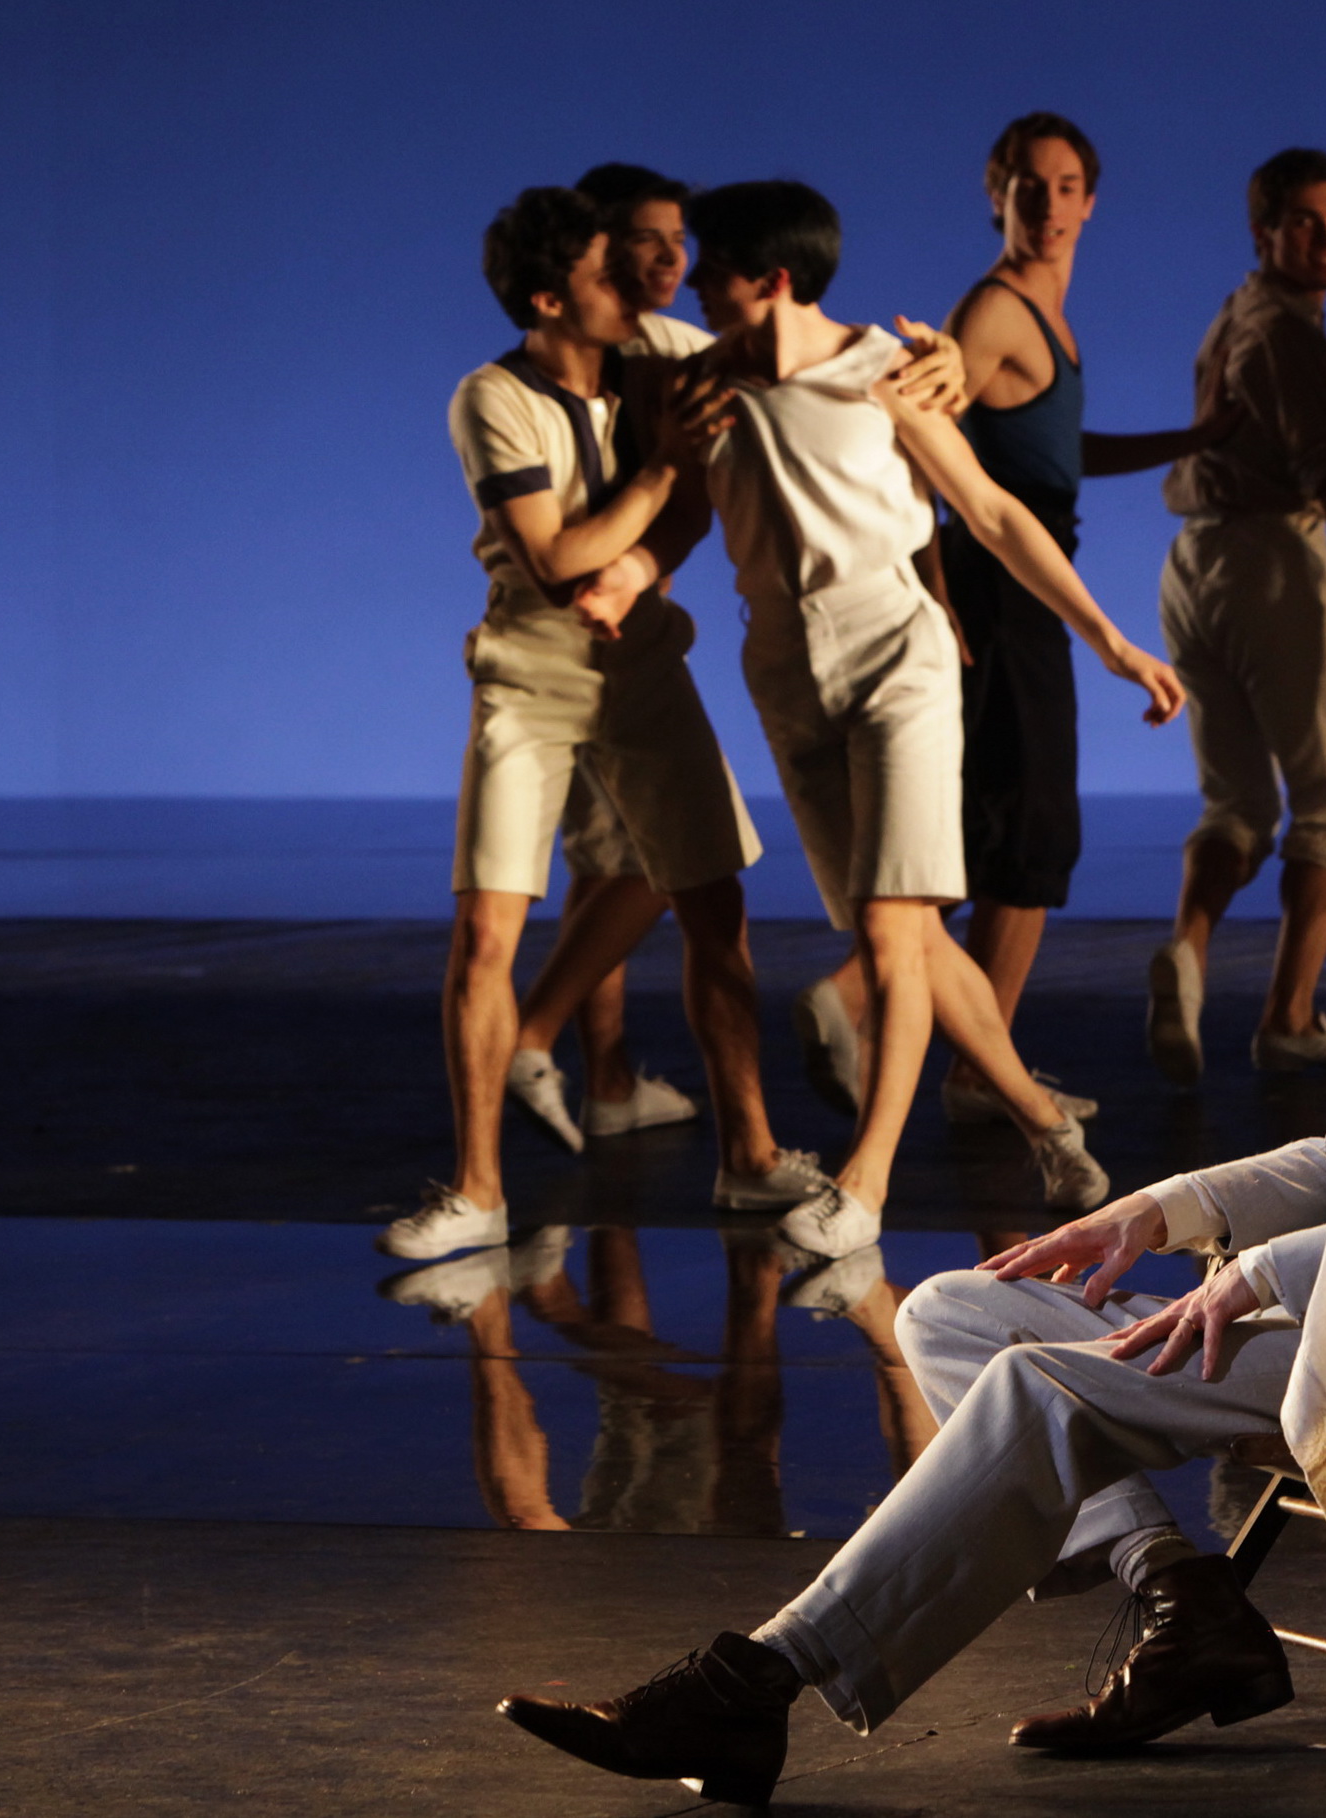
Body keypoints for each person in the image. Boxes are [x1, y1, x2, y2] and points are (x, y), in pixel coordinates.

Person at [489, 706, 1326, 1799]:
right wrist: (1158, 1212)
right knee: (952, 1310)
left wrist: (1265, 1270)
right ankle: (1184, 1599)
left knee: (1040, 1386)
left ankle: (756, 1683)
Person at [679, 179, 1186, 1260]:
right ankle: (1046, 1126)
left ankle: (863, 1185)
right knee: (904, 932)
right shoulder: (700, 388)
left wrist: (1112, 642)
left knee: (888, 926)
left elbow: (992, 511)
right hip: (783, 663)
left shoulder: (886, 371)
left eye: (708, 265)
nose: (690, 283)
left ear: (771, 278)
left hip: (895, 650)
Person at [376, 185, 828, 1264]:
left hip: (640, 662)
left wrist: (931, 363)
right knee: (487, 930)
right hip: (529, 673)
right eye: (608, 269)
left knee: (715, 904)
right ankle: (478, 1192)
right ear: (549, 298)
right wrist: (661, 467)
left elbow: (799, 363)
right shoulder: (492, 397)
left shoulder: (663, 350)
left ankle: (751, 1154)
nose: (639, 280)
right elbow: (552, 558)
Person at [512, 165, 971, 1152]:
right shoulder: (542, 374)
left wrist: (943, 360)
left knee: (644, 868)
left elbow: (834, 390)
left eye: (683, 243)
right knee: (643, 866)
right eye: (645, 241)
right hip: (574, 643)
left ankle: (611, 1081)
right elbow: (584, 534)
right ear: (589, 257)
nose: (672, 261)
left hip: (642, 634)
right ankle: (556, 1049)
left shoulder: (690, 351)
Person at [789, 114, 1232, 1127]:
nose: (1048, 204)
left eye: (1066, 185)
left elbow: (1056, 454)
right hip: (996, 591)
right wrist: (940, 596)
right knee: (1025, 836)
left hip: (1020, 584)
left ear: (1091, 200)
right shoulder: (994, 312)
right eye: (1028, 186)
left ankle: (958, 1057)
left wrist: (1194, 438)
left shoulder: (1045, 318)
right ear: (998, 196)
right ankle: (869, 1005)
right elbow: (928, 453)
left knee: (1003, 830)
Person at [1147, 149, 1326, 1088]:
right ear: (1264, 230)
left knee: (1237, 803)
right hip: (1270, 562)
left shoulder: (1242, 312)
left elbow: (1299, 412)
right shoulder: (1287, 330)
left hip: (1192, 564)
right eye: (1306, 221)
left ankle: (1187, 952)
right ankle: (1290, 1018)